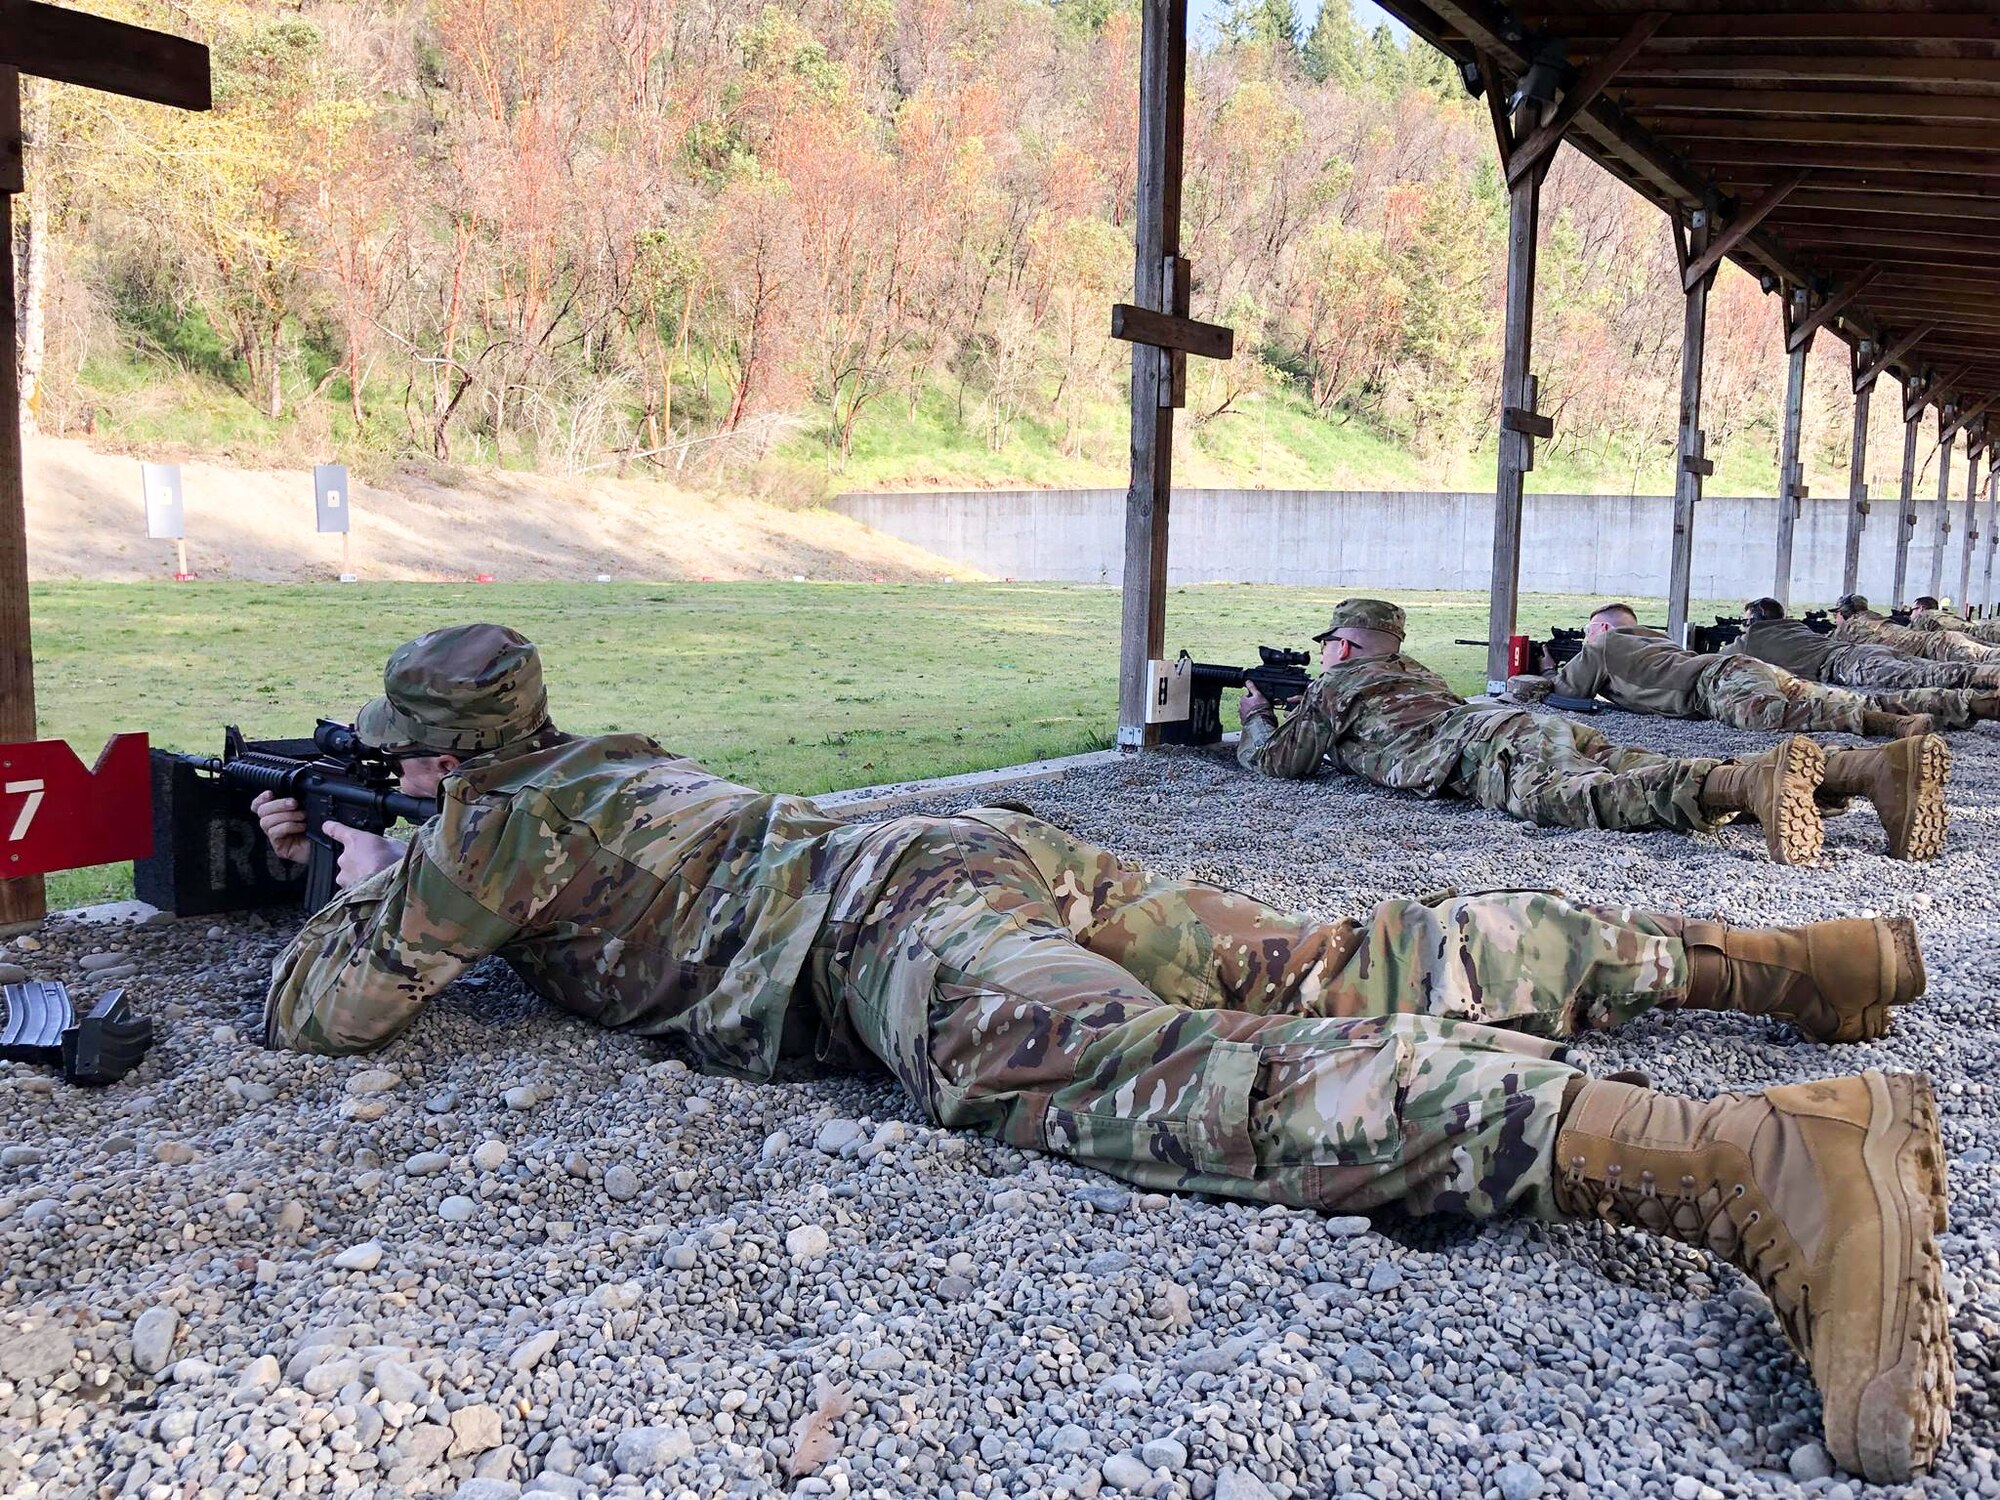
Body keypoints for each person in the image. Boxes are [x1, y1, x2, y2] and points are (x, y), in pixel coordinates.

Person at [254, 623, 1950, 1483]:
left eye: (407, 765)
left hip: (886, 931)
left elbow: (322, 1020)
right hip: (962, 847)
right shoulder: (611, 760)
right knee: (1327, 958)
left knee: (1144, 1075)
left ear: (444, 762)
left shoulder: (487, 836)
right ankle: (1769, 959)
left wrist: (352, 888)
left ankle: (1747, 1158)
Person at [1236, 599, 1946, 864]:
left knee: (1588, 800)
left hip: (1493, 747)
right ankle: (1867, 771)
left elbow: (1277, 765)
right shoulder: (1412, 671)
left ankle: (1752, 782)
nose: (1324, 654)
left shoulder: (1338, 685)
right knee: (1637, 762)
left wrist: (1255, 717)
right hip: (1522, 724)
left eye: (1331, 645)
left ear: (1347, 648)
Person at [1507, 600, 1952, 737]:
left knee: (1768, 716)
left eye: (1589, 633)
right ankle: (1939, 705)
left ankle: (1886, 724)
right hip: (1737, 667)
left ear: (1601, 628)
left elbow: (1567, 694)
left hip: (1715, 680)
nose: (1588, 640)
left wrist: (1545, 670)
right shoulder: (1654, 639)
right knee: (1824, 695)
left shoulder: (1604, 643)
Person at [1726, 596, 2000, 696]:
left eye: (1748, 620)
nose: (1745, 624)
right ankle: (1985, 671)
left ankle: (1988, 676)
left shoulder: (1751, 638)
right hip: (1862, 653)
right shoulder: (1795, 626)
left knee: (1921, 676)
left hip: (1848, 663)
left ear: (1757, 621)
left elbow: (1714, 660)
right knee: (1926, 667)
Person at [1831, 593, 2000, 665]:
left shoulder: (1850, 627)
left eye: (1836, 614)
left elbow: (1822, 644)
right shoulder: (1872, 617)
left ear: (1845, 613)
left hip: (1939, 646)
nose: (1835, 618)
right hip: (1944, 640)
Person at [1909, 594, 2000, 645]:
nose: (1911, 615)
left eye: (1912, 610)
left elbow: (1912, 637)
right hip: (1979, 632)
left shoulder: (1924, 617)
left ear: (1920, 609)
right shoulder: (1941, 615)